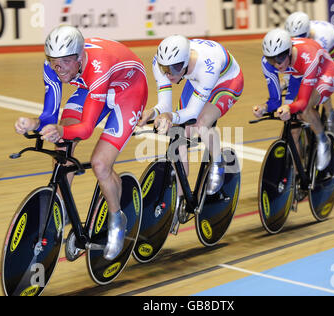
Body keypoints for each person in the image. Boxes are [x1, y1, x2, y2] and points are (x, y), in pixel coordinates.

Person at [14, 25, 148, 260]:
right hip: (91, 88)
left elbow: (85, 129)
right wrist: (33, 122)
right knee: (62, 147)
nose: (59, 68)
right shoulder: (53, 67)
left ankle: (117, 219)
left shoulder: (98, 66)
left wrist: (60, 129)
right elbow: (49, 115)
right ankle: (65, 212)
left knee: (100, 164)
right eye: (54, 61)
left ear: (79, 56)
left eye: (65, 61)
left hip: (128, 90)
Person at [138, 34, 244, 222]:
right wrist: (152, 113)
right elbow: (164, 106)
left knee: (201, 123)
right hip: (195, 79)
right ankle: (181, 191)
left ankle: (218, 164)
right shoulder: (160, 63)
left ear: (185, 61)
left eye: (174, 68)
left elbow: (193, 113)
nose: (169, 74)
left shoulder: (206, 68)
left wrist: (170, 116)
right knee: (179, 131)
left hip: (226, 80)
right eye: (165, 69)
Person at [252, 28, 334, 171]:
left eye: (279, 58)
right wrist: (263, 108)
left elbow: (303, 102)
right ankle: (298, 178)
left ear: (289, 51)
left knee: (303, 110)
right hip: (299, 73)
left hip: (325, 73)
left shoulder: (308, 56)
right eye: (271, 59)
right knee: (292, 129)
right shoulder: (268, 63)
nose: (276, 64)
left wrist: (290, 108)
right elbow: (275, 101)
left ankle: (323, 141)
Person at [285, 11, 334, 129]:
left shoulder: (320, 40)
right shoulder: (302, 35)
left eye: (300, 36)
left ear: (308, 33)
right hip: (321, 50)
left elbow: (316, 70)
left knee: (321, 79)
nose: (297, 40)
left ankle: (330, 113)